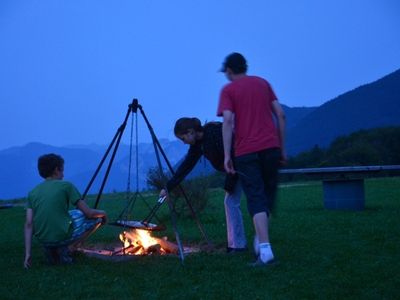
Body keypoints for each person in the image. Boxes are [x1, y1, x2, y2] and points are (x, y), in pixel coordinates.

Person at [217, 52, 286, 266]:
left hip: (246, 151)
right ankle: (260, 238)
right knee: (267, 197)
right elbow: (280, 115)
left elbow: (228, 121)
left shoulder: (228, 90)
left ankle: (265, 251)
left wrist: (228, 155)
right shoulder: (263, 83)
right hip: (271, 147)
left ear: (229, 70)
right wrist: (281, 148)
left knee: (255, 197)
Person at [159, 117, 247, 252]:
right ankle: (236, 245)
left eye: (183, 138)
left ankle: (240, 245)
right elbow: (186, 167)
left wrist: (230, 179)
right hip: (235, 168)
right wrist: (168, 187)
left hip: (244, 162)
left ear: (190, 132)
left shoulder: (214, 132)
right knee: (231, 202)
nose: (183, 143)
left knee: (236, 201)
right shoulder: (198, 145)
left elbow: (233, 152)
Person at [24, 153, 107, 268]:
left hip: (43, 240)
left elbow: (29, 223)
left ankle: (51, 250)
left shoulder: (32, 192)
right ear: (56, 170)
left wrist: (28, 254)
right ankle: (70, 248)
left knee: (74, 213)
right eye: (62, 170)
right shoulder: (66, 186)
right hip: (62, 237)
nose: (63, 174)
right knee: (96, 219)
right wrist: (103, 213)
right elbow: (88, 213)